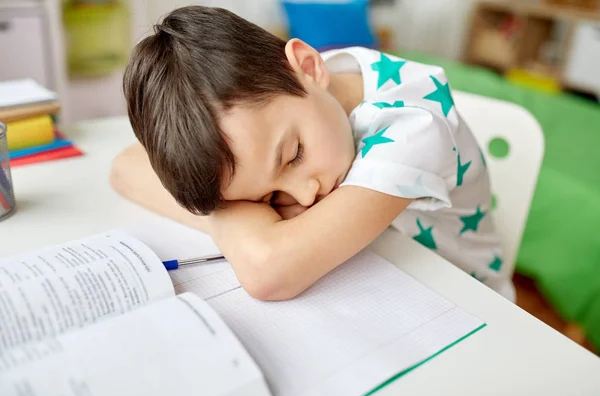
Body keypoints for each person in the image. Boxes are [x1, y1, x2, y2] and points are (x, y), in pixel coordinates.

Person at [110, 6, 513, 301]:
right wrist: (247, 221)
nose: (302, 198)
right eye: (267, 198)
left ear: (306, 65)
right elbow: (125, 166)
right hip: (380, 278)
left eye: (294, 155)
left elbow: (269, 272)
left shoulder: (416, 128)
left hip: (469, 309)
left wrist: (234, 218)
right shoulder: (301, 98)